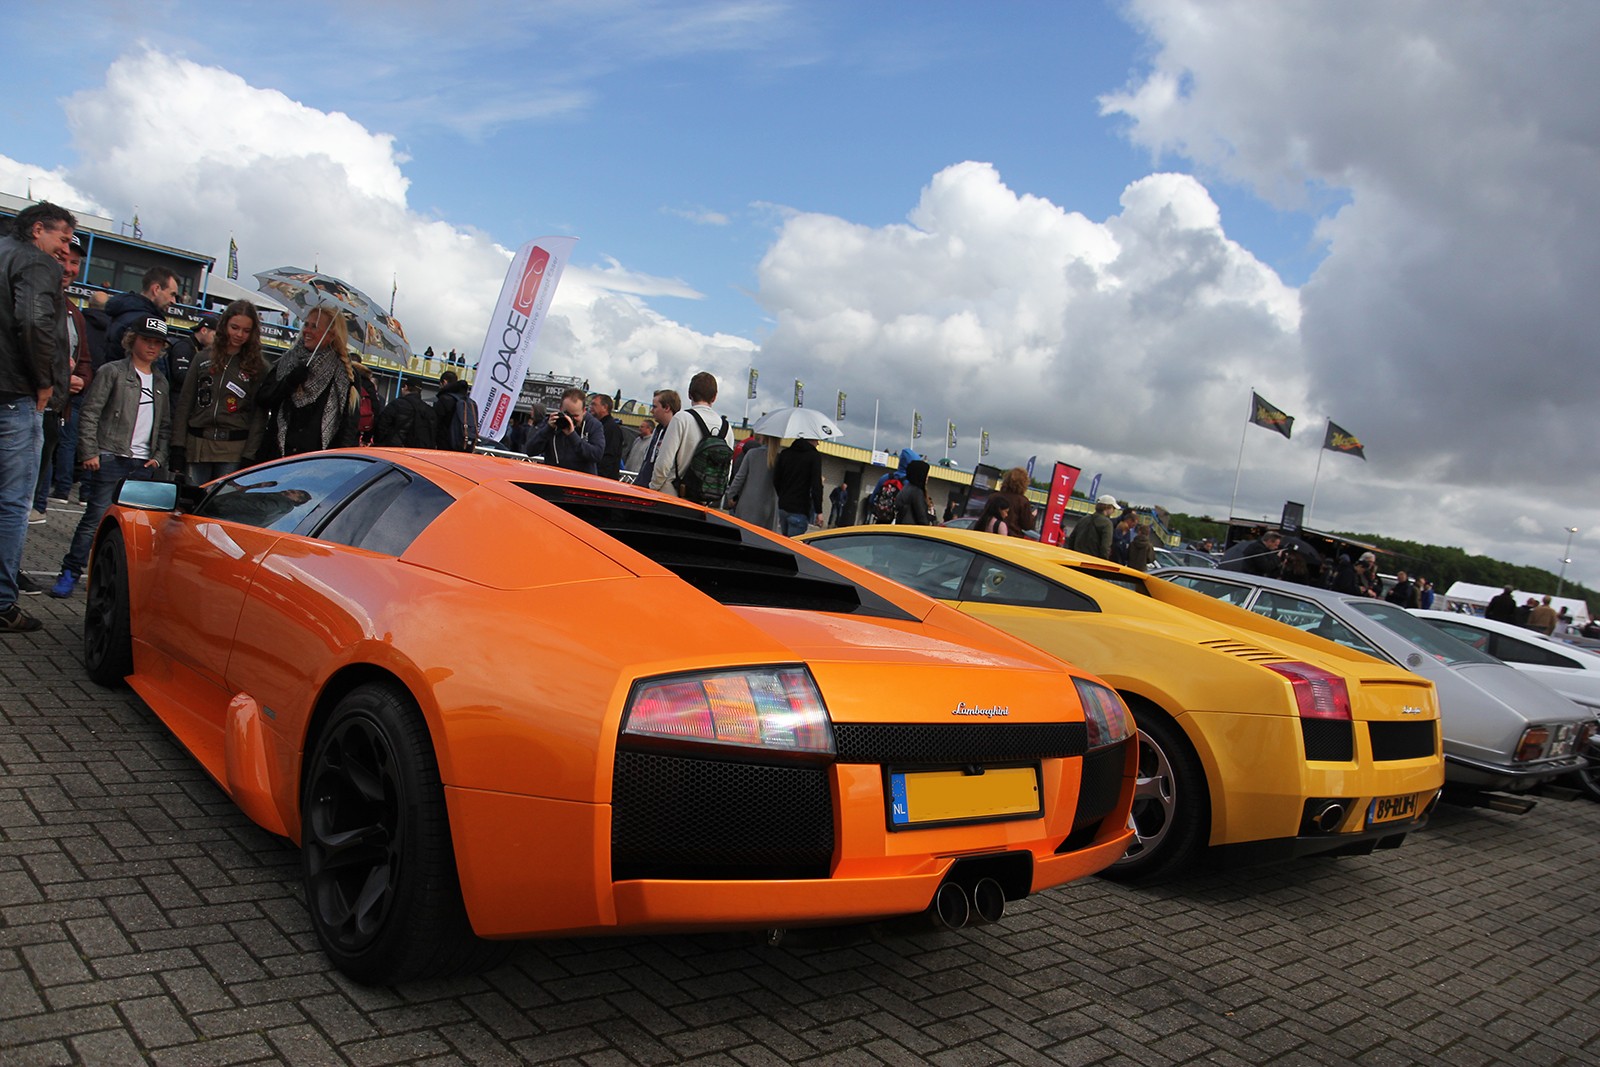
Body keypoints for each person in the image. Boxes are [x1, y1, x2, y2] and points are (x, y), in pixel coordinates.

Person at [48, 315, 171, 599]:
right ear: (133, 340)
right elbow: (90, 412)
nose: (152, 347)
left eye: (157, 343)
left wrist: (158, 457)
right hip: (111, 457)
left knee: (136, 528)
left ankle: (119, 582)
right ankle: (70, 571)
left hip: (143, 464)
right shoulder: (112, 371)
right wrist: (90, 451)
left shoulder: (161, 382)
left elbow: (164, 426)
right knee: (94, 520)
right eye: (147, 340)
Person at [1, 201, 75, 630]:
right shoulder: (35, 262)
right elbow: (32, 321)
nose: (64, 252)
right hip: (14, 393)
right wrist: (45, 380)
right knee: (12, 503)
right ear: (38, 229)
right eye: (62, 239)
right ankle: (2, 603)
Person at [170, 299, 271, 484]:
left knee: (222, 507)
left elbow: (259, 415)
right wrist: (177, 445)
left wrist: (250, 454)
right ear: (224, 325)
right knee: (192, 503)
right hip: (198, 446)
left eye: (246, 331)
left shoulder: (259, 367)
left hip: (233, 451)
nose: (239, 334)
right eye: (235, 327)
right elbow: (185, 403)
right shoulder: (202, 358)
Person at [33, 236, 93, 523]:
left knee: (29, 506)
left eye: (75, 262)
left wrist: (79, 379)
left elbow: (84, 363)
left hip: (53, 414)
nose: (68, 268)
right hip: (19, 408)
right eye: (63, 258)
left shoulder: (74, 313)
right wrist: (57, 373)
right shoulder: (25, 297)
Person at [257, 306, 358, 459]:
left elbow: (348, 427)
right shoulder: (287, 361)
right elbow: (263, 399)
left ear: (331, 335)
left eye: (314, 326)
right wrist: (290, 382)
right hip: (276, 456)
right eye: (306, 325)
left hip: (317, 462)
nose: (307, 331)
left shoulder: (345, 374)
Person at [650, 372, 724, 499]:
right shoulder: (726, 428)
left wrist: (653, 487)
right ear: (714, 397)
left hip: (673, 494)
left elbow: (664, 463)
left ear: (689, 394)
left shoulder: (681, 418)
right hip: (705, 500)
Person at [102, 266, 179, 368]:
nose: (174, 301)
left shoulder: (123, 312)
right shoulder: (145, 321)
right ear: (156, 289)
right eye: (172, 294)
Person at [524, 386, 604, 473]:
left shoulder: (593, 425)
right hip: (554, 479)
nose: (571, 419)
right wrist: (548, 429)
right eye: (567, 414)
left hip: (582, 481)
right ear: (561, 408)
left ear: (584, 411)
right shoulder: (551, 423)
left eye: (575, 416)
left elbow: (597, 455)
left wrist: (572, 435)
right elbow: (530, 451)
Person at [726, 433, 779, 531]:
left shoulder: (752, 454)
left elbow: (739, 478)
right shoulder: (779, 458)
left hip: (748, 504)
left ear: (763, 437)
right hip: (769, 507)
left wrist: (731, 495)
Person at [773, 435, 824, 536]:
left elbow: (776, 479)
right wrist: (819, 511)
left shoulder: (785, 453)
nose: (818, 443)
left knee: (783, 542)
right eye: (817, 440)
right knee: (793, 547)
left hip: (783, 506)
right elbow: (816, 486)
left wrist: (782, 496)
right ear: (812, 439)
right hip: (800, 509)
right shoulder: (814, 456)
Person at [633, 389, 679, 489]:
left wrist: (653, 487)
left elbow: (665, 465)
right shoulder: (658, 430)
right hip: (643, 487)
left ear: (667, 408)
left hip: (657, 492)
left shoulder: (674, 432)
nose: (651, 411)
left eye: (654, 407)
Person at [375, 379, 436, 448]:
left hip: (394, 446)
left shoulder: (396, 404)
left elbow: (382, 425)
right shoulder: (427, 409)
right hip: (415, 450)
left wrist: (379, 442)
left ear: (406, 387)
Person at [348, 352, 384, 446]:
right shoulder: (367, 384)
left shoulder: (340, 376)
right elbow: (375, 410)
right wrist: (366, 437)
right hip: (355, 430)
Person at [432, 370, 474, 449]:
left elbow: (435, 423)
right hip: (464, 445)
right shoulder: (469, 402)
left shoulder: (444, 399)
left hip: (445, 445)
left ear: (444, 382)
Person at [1068, 494, 1118, 558]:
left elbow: (1072, 539)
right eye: (1113, 508)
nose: (1113, 511)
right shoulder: (1107, 523)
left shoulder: (1084, 519)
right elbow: (1105, 547)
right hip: (1092, 561)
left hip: (1075, 558)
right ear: (1107, 507)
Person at [589, 393, 626, 479]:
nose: (590, 407)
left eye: (594, 404)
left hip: (603, 479)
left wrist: (598, 476)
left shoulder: (612, 428)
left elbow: (609, 456)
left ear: (604, 407)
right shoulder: (596, 425)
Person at [993, 467, 1037, 538]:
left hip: (989, 535)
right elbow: (1027, 525)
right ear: (1024, 483)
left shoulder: (994, 496)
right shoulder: (1023, 501)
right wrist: (1032, 516)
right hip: (1012, 538)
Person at [894, 458, 938, 526]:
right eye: (925, 474)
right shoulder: (917, 492)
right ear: (920, 474)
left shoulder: (906, 488)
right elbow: (921, 517)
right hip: (910, 531)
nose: (927, 477)